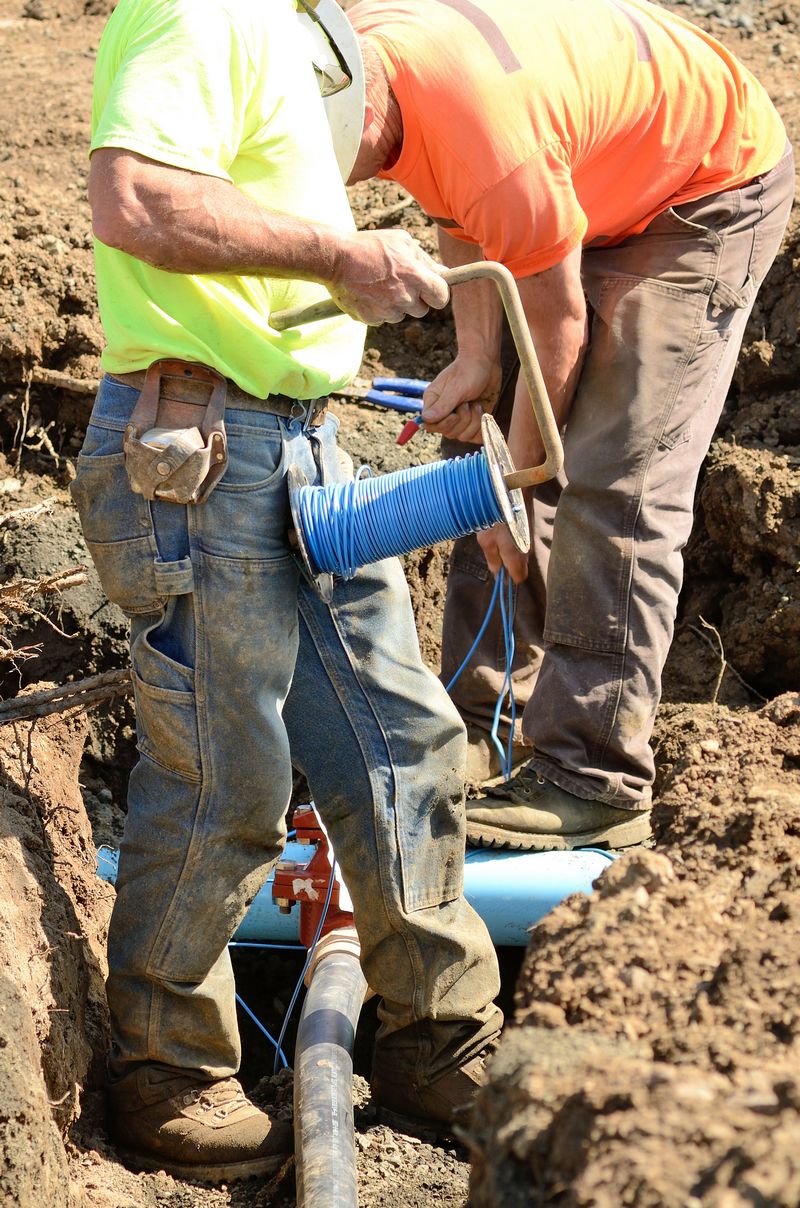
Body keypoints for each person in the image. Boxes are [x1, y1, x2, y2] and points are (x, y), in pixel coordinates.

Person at [74, 0, 503, 1184]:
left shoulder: (280, 21)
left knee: (403, 737)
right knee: (228, 773)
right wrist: (337, 254)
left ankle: (437, 1035)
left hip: (293, 441)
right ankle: (168, 1067)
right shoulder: (198, 11)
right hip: (201, 445)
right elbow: (139, 202)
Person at [347, 0, 794, 852]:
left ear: (363, 112)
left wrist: (506, 485)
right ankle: (478, 732)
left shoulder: (482, 131)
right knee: (485, 435)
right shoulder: (361, 51)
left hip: (702, 188)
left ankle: (593, 774)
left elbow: (556, 326)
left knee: (611, 466)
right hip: (577, 173)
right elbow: (457, 202)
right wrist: (476, 356)